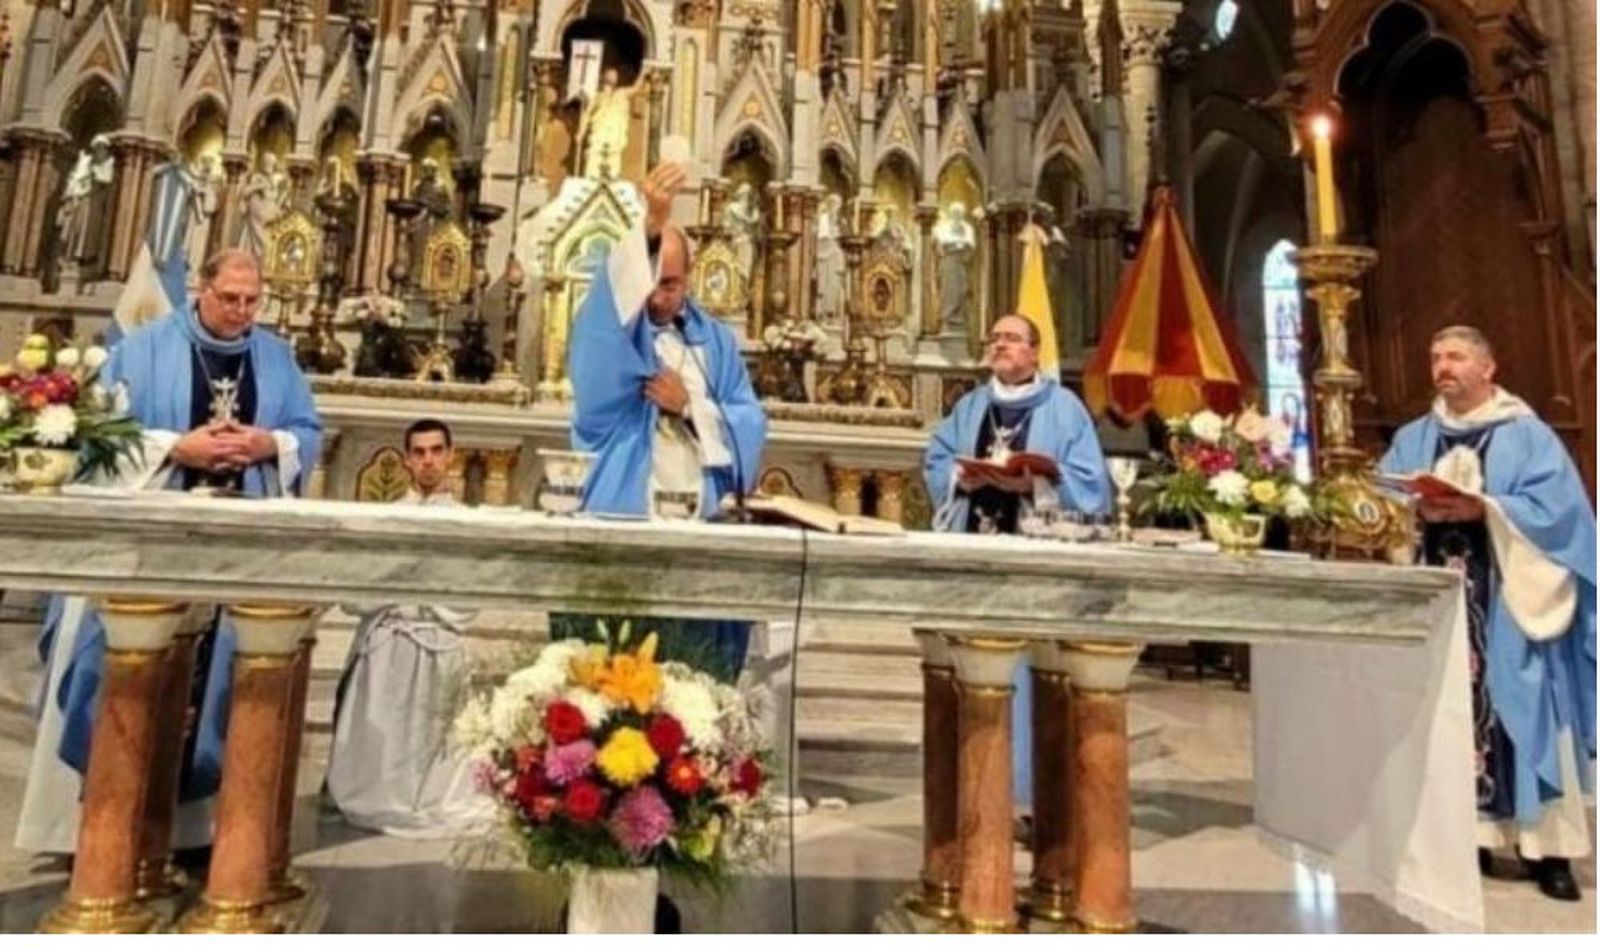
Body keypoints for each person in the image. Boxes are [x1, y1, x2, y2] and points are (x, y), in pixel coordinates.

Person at [15, 249, 322, 855]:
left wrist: (269, 443)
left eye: (252, 300)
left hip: (238, 547)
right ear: (199, 290)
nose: (242, 311)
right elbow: (98, 441)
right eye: (229, 298)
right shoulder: (143, 349)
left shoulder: (277, 358)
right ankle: (106, 825)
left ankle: (197, 833)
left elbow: (308, 432)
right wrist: (177, 449)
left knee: (230, 672)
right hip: (150, 546)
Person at [1379, 325, 1595, 902]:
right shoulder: (1415, 435)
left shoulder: (1528, 436)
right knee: (1446, 712)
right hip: (1439, 600)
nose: (1441, 367)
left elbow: (1564, 515)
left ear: (1487, 368)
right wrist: (1410, 505)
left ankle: (1548, 852)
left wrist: (1488, 511)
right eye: (1434, 357)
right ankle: (1466, 837)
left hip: (1507, 595)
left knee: (1522, 712)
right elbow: (1379, 500)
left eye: (1454, 357)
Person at [561, 162, 767, 682]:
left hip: (700, 528)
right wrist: (651, 223)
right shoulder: (616, 332)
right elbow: (604, 323)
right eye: (651, 283)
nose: (658, 297)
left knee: (693, 685)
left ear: (691, 279)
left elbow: (749, 422)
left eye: (672, 284)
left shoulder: (714, 341)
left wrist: (691, 408)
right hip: (626, 517)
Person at [924, 313, 1111, 819]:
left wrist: (1035, 484)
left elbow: (1094, 485)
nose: (1000, 345)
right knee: (978, 667)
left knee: (1035, 672)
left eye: (1011, 339)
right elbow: (936, 460)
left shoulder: (1064, 408)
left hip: (1037, 559)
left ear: (1034, 351)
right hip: (977, 556)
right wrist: (962, 475)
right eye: (995, 339)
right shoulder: (970, 406)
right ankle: (979, 793)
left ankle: (1035, 797)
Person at [326, 419, 490, 838]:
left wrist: (416, 587)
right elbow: (358, 590)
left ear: (451, 456)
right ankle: (377, 793)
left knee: (430, 734)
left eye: (437, 451)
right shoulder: (386, 517)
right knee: (384, 731)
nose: (428, 461)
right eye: (419, 452)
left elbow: (469, 593)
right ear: (405, 460)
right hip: (390, 637)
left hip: (437, 635)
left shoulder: (467, 523)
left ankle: (429, 795)